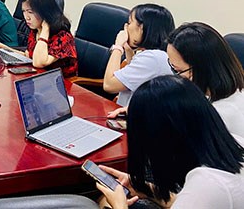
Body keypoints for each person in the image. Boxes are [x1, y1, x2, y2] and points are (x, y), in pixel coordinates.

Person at [97, 76, 244, 209]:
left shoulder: (206, 184)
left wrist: (119, 206)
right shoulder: (234, 144)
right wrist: (148, 190)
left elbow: (200, 197)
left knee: (103, 202)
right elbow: (189, 201)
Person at [167, 22, 244, 137]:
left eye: (178, 70)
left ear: (201, 69)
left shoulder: (217, 115)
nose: (176, 77)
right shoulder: (234, 92)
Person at [103, 3, 175, 106]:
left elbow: (109, 85)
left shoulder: (152, 58)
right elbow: (133, 76)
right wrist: (128, 49)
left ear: (141, 28)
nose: (126, 27)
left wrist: (118, 47)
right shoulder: (158, 55)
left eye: (129, 23)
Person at [21, 0, 77, 77]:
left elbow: (38, 63)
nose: (26, 17)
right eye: (24, 11)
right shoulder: (35, 30)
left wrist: (46, 28)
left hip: (61, 82)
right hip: (39, 77)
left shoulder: (63, 37)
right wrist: (3, 48)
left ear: (45, 13)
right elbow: (28, 55)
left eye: (30, 12)